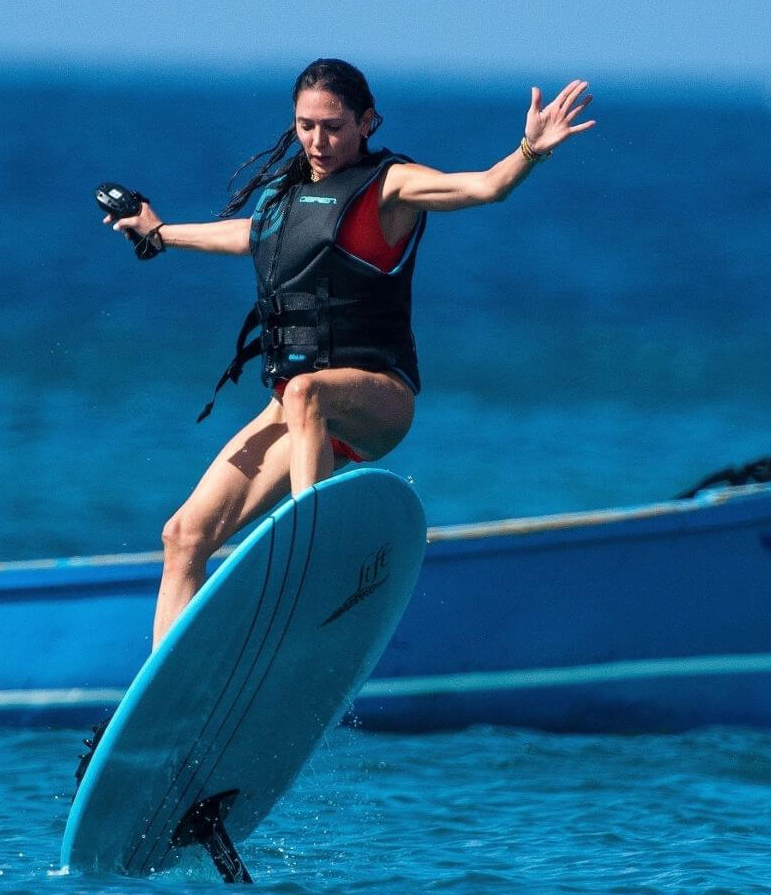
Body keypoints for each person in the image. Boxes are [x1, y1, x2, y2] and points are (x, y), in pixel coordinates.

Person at [106, 58, 595, 648]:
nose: (318, 140)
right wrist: (160, 233)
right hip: (294, 412)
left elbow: (482, 186)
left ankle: (312, 564)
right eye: (306, 125)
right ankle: (170, 697)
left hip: (377, 398)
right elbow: (247, 236)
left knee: (309, 389)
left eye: (334, 126)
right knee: (183, 535)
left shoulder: (391, 184)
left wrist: (529, 150)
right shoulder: (285, 194)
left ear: (368, 121)